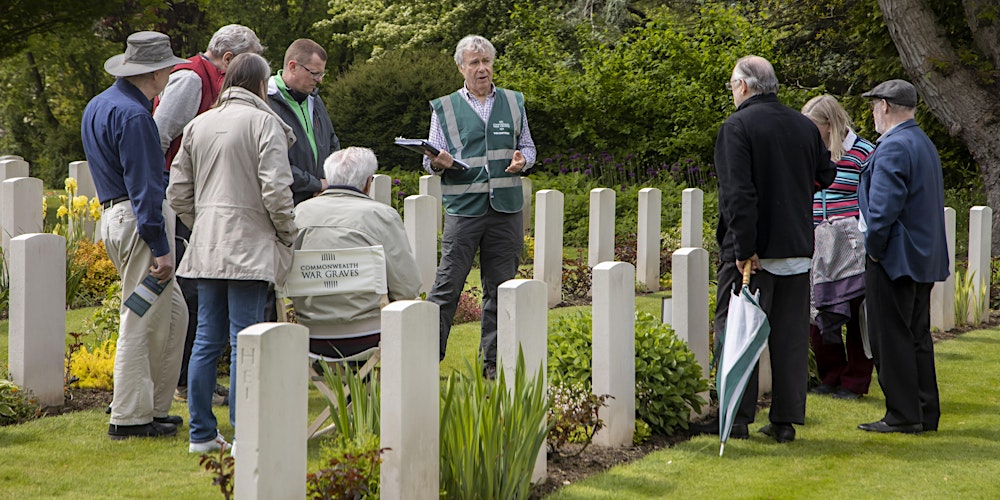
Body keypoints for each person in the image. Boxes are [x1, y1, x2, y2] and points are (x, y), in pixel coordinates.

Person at [167, 52, 297, 453]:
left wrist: (204, 221)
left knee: (207, 338)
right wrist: (286, 232)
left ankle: (202, 435)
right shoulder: (265, 123)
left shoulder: (198, 124)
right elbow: (276, 191)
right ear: (261, 85)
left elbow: (177, 193)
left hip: (207, 245)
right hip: (251, 245)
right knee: (244, 340)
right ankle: (245, 434)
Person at [713, 56, 835, 443]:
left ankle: (737, 418)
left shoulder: (737, 127)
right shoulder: (803, 125)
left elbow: (738, 194)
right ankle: (784, 420)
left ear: (744, 87)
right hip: (797, 246)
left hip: (754, 253)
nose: (732, 91)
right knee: (790, 338)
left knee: (738, 331)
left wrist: (743, 247)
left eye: (732, 84)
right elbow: (827, 173)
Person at [80, 31, 188, 440]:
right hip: (138, 219)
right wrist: (161, 247)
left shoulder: (100, 104)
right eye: (169, 68)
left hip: (116, 215)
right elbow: (144, 186)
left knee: (175, 314)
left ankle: (154, 407)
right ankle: (127, 418)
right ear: (156, 72)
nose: (171, 75)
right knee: (140, 318)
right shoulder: (136, 116)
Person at [153, 23, 263, 406]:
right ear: (230, 59)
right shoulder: (191, 79)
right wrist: (170, 202)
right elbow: (160, 137)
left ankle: (194, 382)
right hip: (181, 200)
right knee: (193, 299)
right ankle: (183, 382)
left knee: (202, 305)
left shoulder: (215, 81)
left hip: (201, 200)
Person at [423, 35, 536, 378]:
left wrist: (524, 161)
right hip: (463, 210)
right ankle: (426, 358)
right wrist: (438, 162)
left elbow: (528, 146)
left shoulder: (514, 102)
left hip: (505, 211)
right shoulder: (443, 107)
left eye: (486, 61)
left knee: (501, 290)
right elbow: (431, 162)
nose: (482, 68)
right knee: (447, 285)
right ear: (461, 67)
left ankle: (493, 364)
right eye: (474, 62)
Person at [857, 79, 949, 434]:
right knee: (916, 337)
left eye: (874, 106)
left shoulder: (894, 146)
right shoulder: (921, 141)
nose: (872, 113)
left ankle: (902, 414)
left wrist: (874, 251)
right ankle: (925, 411)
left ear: (885, 106)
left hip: (894, 258)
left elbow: (881, 212)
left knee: (890, 337)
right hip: (921, 257)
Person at [292, 147, 422, 356]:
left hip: (309, 334)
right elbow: (407, 287)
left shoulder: (300, 213)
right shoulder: (381, 215)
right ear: (368, 182)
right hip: (368, 334)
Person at [801, 95, 876, 400]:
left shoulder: (864, 152)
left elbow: (872, 198)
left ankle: (855, 381)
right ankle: (830, 375)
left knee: (857, 311)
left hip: (851, 245)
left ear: (829, 125)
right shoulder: (808, 152)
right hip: (816, 240)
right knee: (819, 310)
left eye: (813, 126)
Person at [267, 38, 341, 206]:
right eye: (314, 73)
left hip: (318, 201)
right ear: (293, 67)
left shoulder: (314, 99)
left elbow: (332, 143)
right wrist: (316, 184)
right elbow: (273, 163)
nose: (319, 80)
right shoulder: (266, 101)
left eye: (322, 74)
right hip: (283, 205)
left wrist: (329, 183)